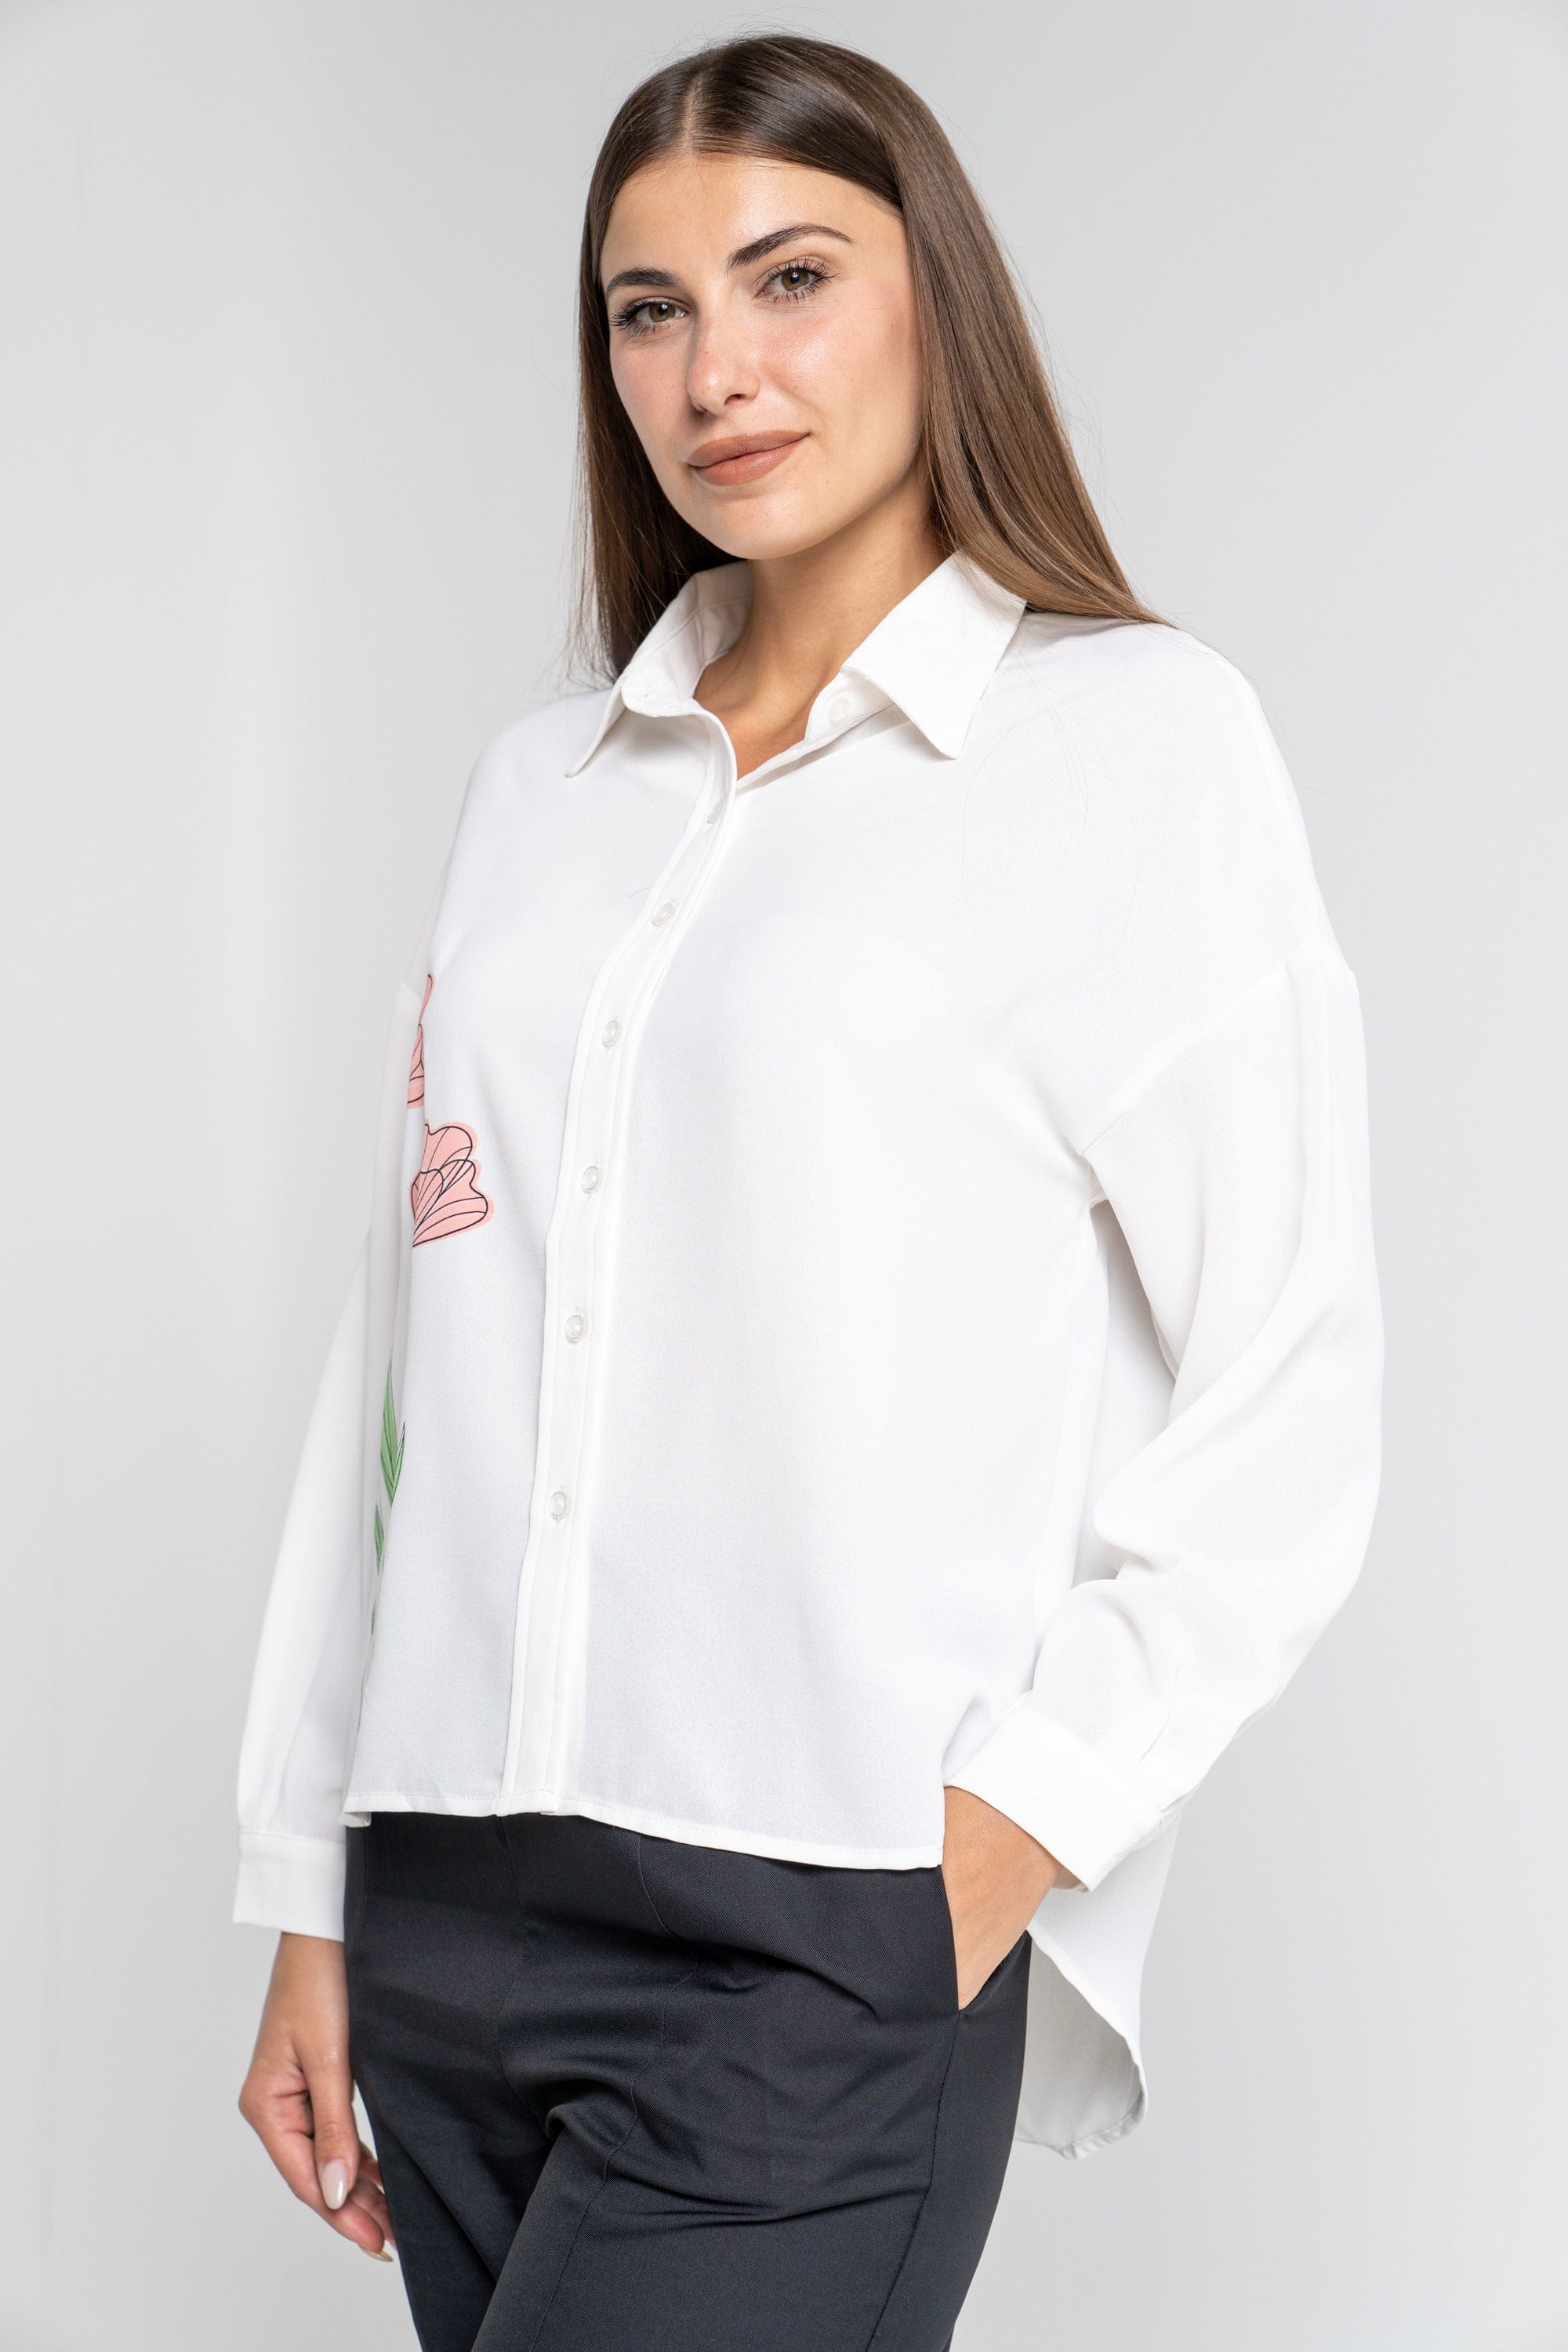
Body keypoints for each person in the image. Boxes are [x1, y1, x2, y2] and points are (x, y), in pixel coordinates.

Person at [234, 32, 1384, 2352]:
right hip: (445, 1900)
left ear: (934, 296)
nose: (715, 371)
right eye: (648, 309)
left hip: (813, 1927)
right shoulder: (542, 790)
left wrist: (997, 1845)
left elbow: (1290, 1383)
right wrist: (309, 1884)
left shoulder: (1131, 745)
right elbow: (407, 1360)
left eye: (789, 279)